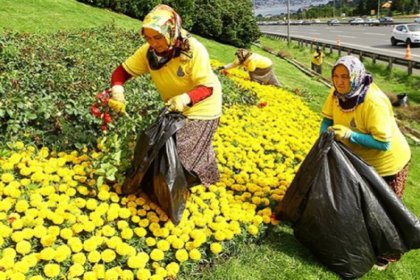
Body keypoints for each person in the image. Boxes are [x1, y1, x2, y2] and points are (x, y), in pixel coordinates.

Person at [108, 4, 222, 187]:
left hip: (202, 107)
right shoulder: (148, 52)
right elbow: (121, 72)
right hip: (174, 106)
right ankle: (173, 186)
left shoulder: (193, 50)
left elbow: (208, 88)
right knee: (166, 150)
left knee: (182, 151)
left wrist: (184, 98)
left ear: (171, 31)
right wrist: (117, 91)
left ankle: (192, 187)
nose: (153, 43)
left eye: (158, 37)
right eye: (148, 37)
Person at [320, 55, 411, 270]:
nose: (339, 81)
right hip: (360, 160)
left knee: (385, 213)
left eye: (345, 76)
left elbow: (383, 143)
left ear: (357, 76)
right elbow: (327, 119)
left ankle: (386, 255)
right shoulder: (336, 95)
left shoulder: (373, 102)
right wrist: (324, 138)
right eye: (335, 76)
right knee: (360, 204)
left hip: (389, 162)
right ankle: (360, 242)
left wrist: (350, 135)